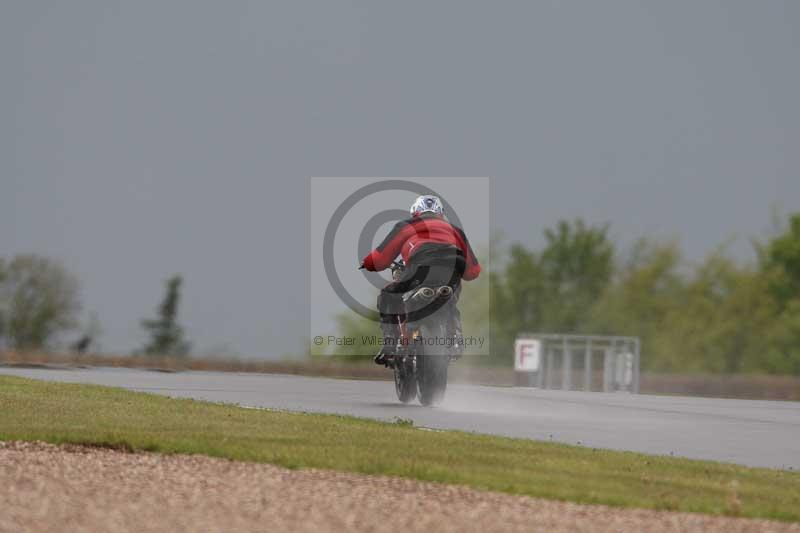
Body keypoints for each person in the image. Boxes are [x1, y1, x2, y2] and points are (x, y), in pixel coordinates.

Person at [360, 195, 481, 365]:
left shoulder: (406, 226)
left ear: (415, 212)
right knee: (450, 299)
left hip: (419, 269)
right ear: (440, 213)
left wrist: (366, 263)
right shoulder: (455, 230)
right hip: (451, 270)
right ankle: (455, 339)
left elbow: (380, 260)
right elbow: (473, 272)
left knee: (389, 295)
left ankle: (390, 344)